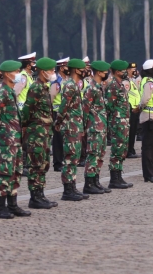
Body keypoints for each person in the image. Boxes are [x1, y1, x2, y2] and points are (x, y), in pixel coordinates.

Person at [0, 60, 32, 218]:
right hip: (7, 139)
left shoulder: (10, 91)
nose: (18, 74)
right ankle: (1, 207)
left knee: (15, 171)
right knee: (5, 172)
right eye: (16, 71)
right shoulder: (3, 93)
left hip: (15, 138)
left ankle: (13, 204)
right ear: (7, 74)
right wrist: (3, 131)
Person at [22, 57, 59, 209]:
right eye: (51, 70)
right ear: (43, 72)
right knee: (36, 165)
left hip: (44, 132)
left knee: (43, 164)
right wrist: (25, 128)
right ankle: (35, 197)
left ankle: (40, 194)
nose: (53, 72)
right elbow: (26, 110)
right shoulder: (36, 88)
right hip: (36, 132)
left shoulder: (43, 87)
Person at [55, 58, 90, 200]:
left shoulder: (75, 85)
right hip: (70, 126)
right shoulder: (70, 85)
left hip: (76, 125)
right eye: (83, 69)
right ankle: (67, 190)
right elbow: (64, 106)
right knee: (70, 157)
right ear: (76, 70)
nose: (85, 71)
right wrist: (58, 121)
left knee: (74, 158)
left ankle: (73, 186)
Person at [81, 60, 112, 194]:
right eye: (105, 72)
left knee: (100, 154)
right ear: (99, 72)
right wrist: (84, 127)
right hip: (94, 126)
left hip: (101, 126)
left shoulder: (99, 87)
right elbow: (85, 109)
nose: (107, 74)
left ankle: (96, 181)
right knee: (93, 154)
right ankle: (89, 182)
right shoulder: (91, 88)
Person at [105, 60, 134, 188]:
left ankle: (119, 176)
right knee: (117, 149)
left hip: (123, 121)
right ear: (117, 71)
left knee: (122, 149)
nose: (125, 72)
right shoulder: (113, 85)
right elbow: (109, 105)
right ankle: (114, 179)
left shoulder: (119, 84)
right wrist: (114, 119)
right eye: (123, 70)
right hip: (117, 122)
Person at [50, 57, 70, 172]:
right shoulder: (57, 81)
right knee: (58, 139)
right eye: (67, 66)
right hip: (57, 112)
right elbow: (52, 97)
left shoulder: (66, 79)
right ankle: (57, 163)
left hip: (65, 112)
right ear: (62, 68)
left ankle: (63, 159)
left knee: (64, 137)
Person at [125, 62, 141, 159]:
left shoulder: (132, 81)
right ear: (127, 70)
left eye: (135, 69)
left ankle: (131, 149)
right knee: (130, 131)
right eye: (132, 69)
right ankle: (128, 150)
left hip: (135, 109)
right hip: (131, 109)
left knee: (133, 131)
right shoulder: (126, 82)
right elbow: (125, 95)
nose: (134, 71)